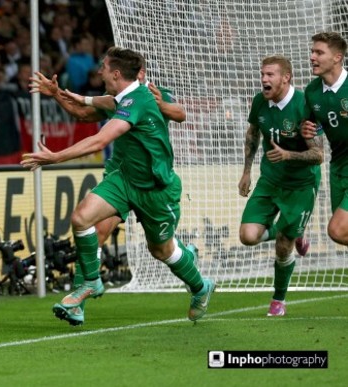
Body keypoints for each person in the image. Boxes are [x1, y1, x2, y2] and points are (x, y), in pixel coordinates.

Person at [21, 47, 214, 325]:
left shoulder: (143, 98)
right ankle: (88, 286)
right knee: (84, 221)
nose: (98, 71)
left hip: (155, 188)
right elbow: (86, 112)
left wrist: (55, 156)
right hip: (122, 179)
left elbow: (101, 140)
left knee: (161, 250)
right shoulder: (121, 99)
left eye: (103, 66)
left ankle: (199, 286)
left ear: (115, 73)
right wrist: (59, 94)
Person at [239, 55, 323, 317]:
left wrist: (289, 156)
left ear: (286, 78)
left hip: (300, 184)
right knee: (248, 236)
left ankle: (279, 299)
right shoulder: (259, 101)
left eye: (270, 75)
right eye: (263, 74)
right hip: (270, 179)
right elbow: (253, 132)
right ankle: (292, 230)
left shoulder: (305, 105)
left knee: (283, 245)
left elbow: (319, 155)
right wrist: (246, 171)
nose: (264, 79)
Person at [302, 32, 348, 248]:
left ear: (337, 57)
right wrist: (309, 134)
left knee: (336, 229)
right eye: (312, 51)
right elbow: (316, 142)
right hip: (338, 167)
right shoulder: (312, 92)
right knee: (340, 234)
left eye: (319, 52)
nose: (312, 57)